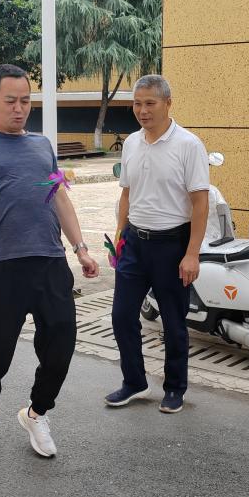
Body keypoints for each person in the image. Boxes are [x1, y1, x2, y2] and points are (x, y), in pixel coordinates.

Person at [0, 63, 99, 465]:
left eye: (26, 101)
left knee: (61, 346)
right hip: (3, 267)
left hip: (50, 262)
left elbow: (59, 197)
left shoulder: (42, 145)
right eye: (11, 101)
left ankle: (36, 414)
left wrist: (81, 248)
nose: (19, 109)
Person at [105, 75, 210, 414]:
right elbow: (127, 193)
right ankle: (134, 382)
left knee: (174, 323)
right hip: (134, 242)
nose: (143, 110)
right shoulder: (132, 143)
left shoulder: (189, 145)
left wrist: (192, 254)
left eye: (150, 103)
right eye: (137, 104)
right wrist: (120, 235)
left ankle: (175, 387)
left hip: (172, 245)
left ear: (168, 103)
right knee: (122, 316)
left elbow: (200, 203)